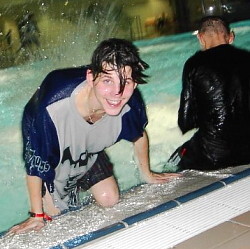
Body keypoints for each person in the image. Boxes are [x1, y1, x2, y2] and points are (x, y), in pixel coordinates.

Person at [10, 38, 179, 234]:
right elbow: (36, 162)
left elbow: (139, 135)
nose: (117, 92)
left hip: (87, 144)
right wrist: (36, 215)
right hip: (50, 143)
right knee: (57, 216)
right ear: (91, 77)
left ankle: (87, 160)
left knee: (110, 199)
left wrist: (147, 174)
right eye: (107, 81)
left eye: (127, 81)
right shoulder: (53, 109)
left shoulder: (131, 103)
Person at [168, 16, 250, 171]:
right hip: (248, 150)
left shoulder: (194, 64)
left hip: (214, 156)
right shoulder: (247, 58)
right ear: (231, 37)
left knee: (174, 159)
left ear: (200, 38)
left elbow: (185, 122)